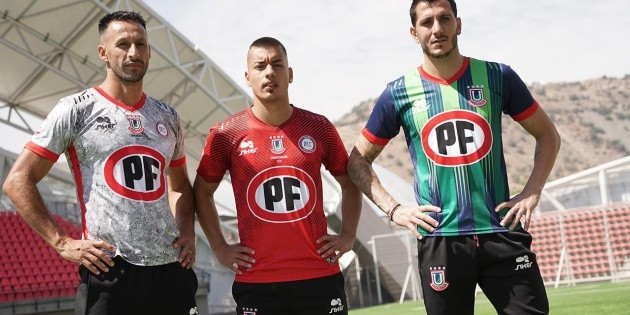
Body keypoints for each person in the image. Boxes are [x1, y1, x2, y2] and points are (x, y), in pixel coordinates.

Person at [347, 0, 561, 314]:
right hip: (440, 240)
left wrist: (532, 191)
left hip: (500, 229)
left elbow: (548, 135)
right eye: (427, 22)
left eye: (444, 19)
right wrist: (394, 210)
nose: (437, 29)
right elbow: (357, 161)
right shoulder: (399, 92)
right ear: (413, 32)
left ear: (458, 24)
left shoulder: (497, 76)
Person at [2, 11, 198, 315]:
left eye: (141, 44)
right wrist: (62, 243)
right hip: (112, 271)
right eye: (123, 44)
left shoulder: (168, 117)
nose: (133, 52)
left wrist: (186, 230)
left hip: (171, 270)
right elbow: (17, 180)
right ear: (103, 53)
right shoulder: (75, 110)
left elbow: (181, 186)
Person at [194, 36, 362, 315]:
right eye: (260, 66)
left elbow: (350, 182)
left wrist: (348, 236)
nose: (269, 72)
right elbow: (201, 192)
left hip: (319, 274)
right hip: (258, 279)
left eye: (277, 64)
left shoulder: (318, 127)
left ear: (290, 74)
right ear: (248, 77)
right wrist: (220, 247)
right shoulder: (226, 134)